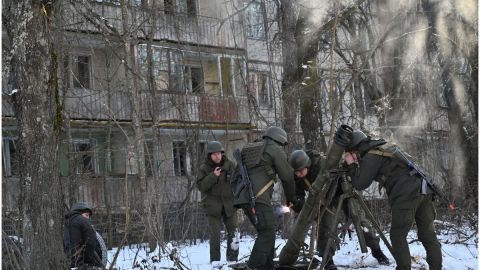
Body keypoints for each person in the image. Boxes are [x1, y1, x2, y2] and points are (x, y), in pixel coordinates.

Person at [343, 130, 442, 270]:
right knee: (427, 234)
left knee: (397, 236)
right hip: (424, 188)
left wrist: (351, 164)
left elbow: (360, 184)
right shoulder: (383, 147)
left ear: (355, 149)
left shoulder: (371, 155)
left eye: (352, 153)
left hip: (406, 192)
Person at [288, 149, 390, 269]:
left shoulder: (321, 165)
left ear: (307, 165)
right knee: (325, 228)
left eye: (300, 171)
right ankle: (327, 260)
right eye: (296, 172)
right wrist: (297, 204)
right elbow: (297, 195)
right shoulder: (298, 176)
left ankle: (376, 250)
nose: (298, 174)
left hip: (342, 191)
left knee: (361, 222)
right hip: (325, 200)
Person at [233, 126, 297, 270]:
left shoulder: (249, 148)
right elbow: (287, 177)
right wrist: (291, 198)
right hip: (257, 198)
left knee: (267, 230)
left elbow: (235, 176)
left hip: (244, 198)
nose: (281, 147)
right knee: (267, 231)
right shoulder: (274, 149)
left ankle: (266, 266)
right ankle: (254, 266)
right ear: (279, 140)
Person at [196, 141, 238, 263]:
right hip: (212, 206)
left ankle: (232, 261)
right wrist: (213, 176)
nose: (217, 156)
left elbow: (237, 181)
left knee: (234, 233)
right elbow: (201, 186)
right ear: (209, 155)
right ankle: (215, 262)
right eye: (214, 154)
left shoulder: (229, 165)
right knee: (215, 236)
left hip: (229, 205)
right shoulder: (204, 168)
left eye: (219, 153)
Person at [64, 202, 105, 269]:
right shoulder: (83, 221)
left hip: (69, 262)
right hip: (82, 263)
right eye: (87, 215)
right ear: (79, 212)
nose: (88, 218)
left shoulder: (66, 223)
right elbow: (91, 242)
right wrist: (88, 260)